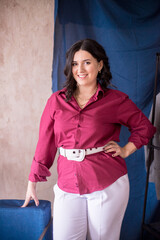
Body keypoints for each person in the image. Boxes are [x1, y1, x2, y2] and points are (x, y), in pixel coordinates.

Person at [22, 39, 156, 240]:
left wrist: (126, 149)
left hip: (107, 183)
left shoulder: (116, 100)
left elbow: (145, 127)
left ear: (100, 65)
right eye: (75, 63)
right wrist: (32, 181)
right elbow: (45, 142)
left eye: (87, 62)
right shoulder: (56, 101)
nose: (80, 69)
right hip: (67, 183)